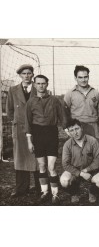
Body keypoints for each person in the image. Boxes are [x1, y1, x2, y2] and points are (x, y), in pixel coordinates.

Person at [25, 75, 65, 205]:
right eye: (38, 83)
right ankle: (45, 192)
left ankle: (55, 194)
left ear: (47, 84)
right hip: (37, 134)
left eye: (43, 83)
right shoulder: (30, 102)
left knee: (51, 166)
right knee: (42, 166)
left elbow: (63, 118)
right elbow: (28, 123)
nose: (41, 86)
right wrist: (29, 141)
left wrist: (69, 131)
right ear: (34, 85)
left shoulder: (55, 100)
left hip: (51, 133)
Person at [6, 64, 40, 198]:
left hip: (36, 128)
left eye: (29, 73)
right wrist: (16, 122)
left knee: (38, 158)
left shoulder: (39, 88)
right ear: (20, 75)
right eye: (24, 73)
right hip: (19, 130)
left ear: (32, 75)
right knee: (20, 158)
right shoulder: (13, 90)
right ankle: (21, 188)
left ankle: (40, 188)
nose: (27, 76)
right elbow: (9, 110)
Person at [60, 119, 99, 204]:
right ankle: (74, 192)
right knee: (64, 181)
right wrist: (80, 173)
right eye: (72, 130)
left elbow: (98, 160)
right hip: (75, 171)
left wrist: (86, 170)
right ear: (69, 133)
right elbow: (65, 164)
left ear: (81, 128)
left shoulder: (93, 141)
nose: (75, 132)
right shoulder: (67, 144)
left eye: (77, 129)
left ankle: (92, 192)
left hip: (92, 171)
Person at [64, 65, 99, 138]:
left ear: (88, 77)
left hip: (93, 126)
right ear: (75, 78)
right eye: (80, 77)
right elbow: (65, 111)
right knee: (77, 148)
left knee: (93, 147)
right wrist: (71, 126)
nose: (83, 80)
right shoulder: (70, 94)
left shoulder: (95, 93)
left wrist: (96, 122)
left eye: (85, 77)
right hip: (76, 126)